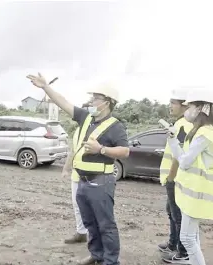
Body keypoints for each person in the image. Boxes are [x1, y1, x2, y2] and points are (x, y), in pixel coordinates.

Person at [27, 73, 129, 265]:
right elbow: (62, 102)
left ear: (107, 102)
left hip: (101, 182)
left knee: (106, 225)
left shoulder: (116, 127)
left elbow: (125, 151)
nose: (91, 101)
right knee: (90, 223)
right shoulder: (86, 117)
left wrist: (102, 149)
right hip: (82, 181)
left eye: (95, 98)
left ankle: (111, 261)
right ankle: (96, 255)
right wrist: (45, 87)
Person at [167, 88, 213, 265]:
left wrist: (173, 142)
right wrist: (173, 140)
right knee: (192, 237)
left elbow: (184, 161)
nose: (187, 109)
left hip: (197, 194)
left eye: (189, 105)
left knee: (188, 238)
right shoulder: (202, 130)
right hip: (191, 193)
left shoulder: (205, 133)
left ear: (201, 108)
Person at [157, 89, 192, 264]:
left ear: (184, 105)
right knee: (171, 213)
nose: (170, 106)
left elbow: (181, 154)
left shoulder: (184, 125)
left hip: (176, 178)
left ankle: (182, 252)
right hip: (172, 178)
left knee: (178, 216)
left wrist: (171, 177)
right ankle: (172, 244)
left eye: (173, 103)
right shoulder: (179, 123)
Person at [63, 103, 90, 244]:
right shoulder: (77, 132)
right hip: (76, 175)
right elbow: (72, 152)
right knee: (77, 205)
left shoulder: (96, 130)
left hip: (92, 175)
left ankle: (94, 237)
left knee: (91, 207)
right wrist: (65, 169)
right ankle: (81, 233)